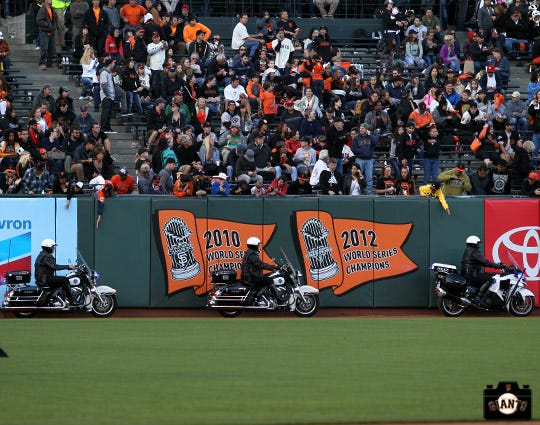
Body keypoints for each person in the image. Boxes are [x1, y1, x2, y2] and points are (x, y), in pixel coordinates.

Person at [461, 235, 503, 304]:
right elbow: (485, 262)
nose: (479, 245)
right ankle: (479, 297)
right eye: (478, 243)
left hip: (467, 274)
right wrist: (499, 266)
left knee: (486, 275)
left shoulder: (468, 250)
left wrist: (496, 265)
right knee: (490, 279)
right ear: (474, 243)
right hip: (472, 275)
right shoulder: (474, 251)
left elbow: (481, 263)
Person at [34, 239, 77, 305]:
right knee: (65, 279)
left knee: (60, 282)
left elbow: (51, 266)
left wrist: (68, 267)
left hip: (42, 278)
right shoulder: (47, 256)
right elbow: (54, 266)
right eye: (53, 246)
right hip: (45, 278)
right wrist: (68, 266)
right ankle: (71, 300)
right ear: (48, 247)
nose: (54, 248)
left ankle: (58, 298)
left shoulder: (42, 254)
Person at [240, 236, 279, 305]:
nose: (258, 246)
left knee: (265, 278)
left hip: (248, 276)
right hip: (251, 277)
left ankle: (262, 296)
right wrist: (273, 267)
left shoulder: (249, 252)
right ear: (254, 245)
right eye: (258, 245)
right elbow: (260, 265)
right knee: (269, 280)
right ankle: (278, 298)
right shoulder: (252, 255)